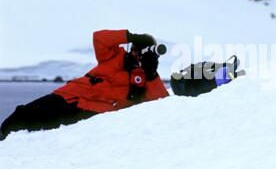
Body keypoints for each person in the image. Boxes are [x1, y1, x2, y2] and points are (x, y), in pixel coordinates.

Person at [0, 29, 169, 141]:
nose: (136, 54)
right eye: (135, 48)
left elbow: (163, 105)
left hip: (92, 111)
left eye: (141, 51)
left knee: (40, 130)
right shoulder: (114, 56)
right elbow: (99, 38)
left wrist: (151, 73)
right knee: (22, 115)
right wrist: (130, 35)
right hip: (69, 97)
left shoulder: (149, 77)